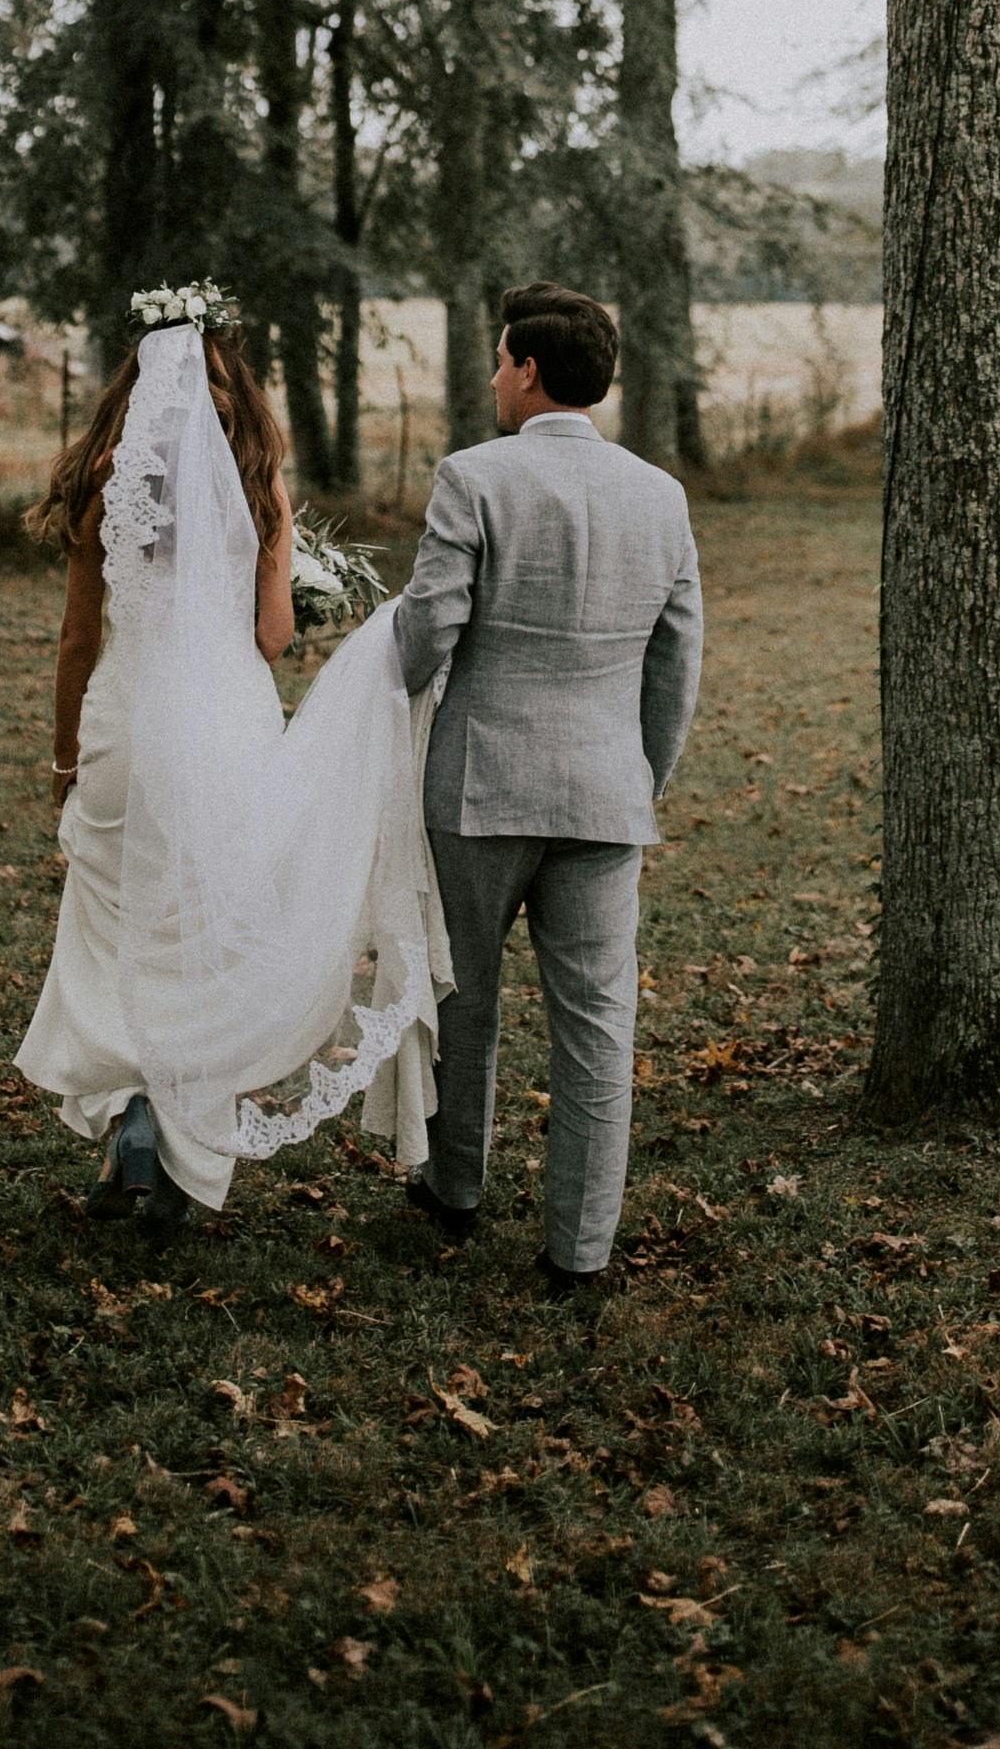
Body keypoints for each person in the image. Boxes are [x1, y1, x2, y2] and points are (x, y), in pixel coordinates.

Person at [14, 292, 442, 1231]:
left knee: (114, 927)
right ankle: (178, 1138)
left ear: (134, 388)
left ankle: (131, 1112)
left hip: (122, 724)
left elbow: (77, 641)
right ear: (230, 394)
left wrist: (62, 759)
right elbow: (272, 637)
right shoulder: (260, 485)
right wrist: (294, 577)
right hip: (222, 725)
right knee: (199, 934)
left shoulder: (102, 484)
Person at [389, 281, 703, 1296]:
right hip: (607, 793)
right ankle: (581, 1248)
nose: (489, 377)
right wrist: (640, 771)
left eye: (496, 359)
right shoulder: (660, 494)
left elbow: (427, 633)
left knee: (462, 999)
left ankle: (454, 1189)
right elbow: (678, 656)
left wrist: (389, 657)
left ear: (528, 369)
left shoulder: (473, 479)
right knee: (599, 1025)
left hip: (480, 787)